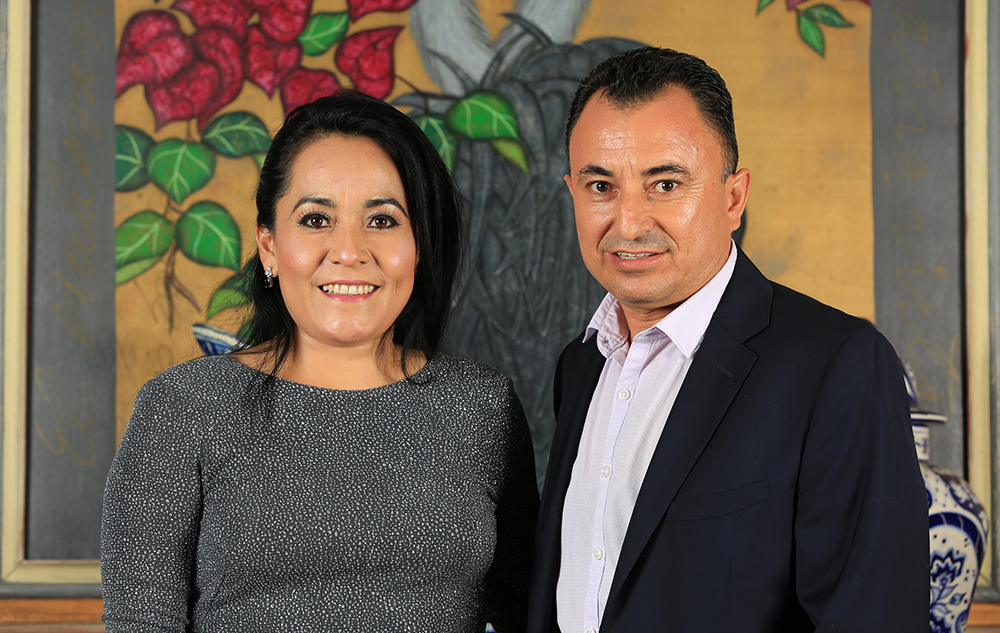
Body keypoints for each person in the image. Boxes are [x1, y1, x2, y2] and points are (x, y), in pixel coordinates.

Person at [102, 90, 539, 632]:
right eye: (315, 219)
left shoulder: (481, 407)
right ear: (269, 245)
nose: (349, 251)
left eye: (383, 220)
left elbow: (530, 613)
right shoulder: (184, 408)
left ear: (419, 245)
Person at [527, 47, 928, 632]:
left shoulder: (836, 366)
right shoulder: (583, 364)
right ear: (572, 193)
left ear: (733, 198)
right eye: (600, 185)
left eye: (665, 184)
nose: (628, 223)